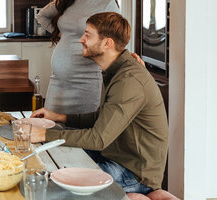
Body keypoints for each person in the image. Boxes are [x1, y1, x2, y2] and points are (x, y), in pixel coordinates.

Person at [31, 12, 168, 197]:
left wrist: (44, 133)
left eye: (87, 35)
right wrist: (58, 117)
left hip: (133, 172)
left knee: (50, 185)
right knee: (48, 156)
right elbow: (102, 118)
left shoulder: (129, 80)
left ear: (107, 43)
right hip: (113, 155)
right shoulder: (117, 70)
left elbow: (98, 139)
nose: (81, 40)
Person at [36, 0, 119, 113]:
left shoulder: (106, 4)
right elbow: (41, 16)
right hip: (57, 81)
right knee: (51, 129)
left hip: (85, 81)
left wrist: (129, 56)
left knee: (79, 133)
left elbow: (114, 41)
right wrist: (60, 33)